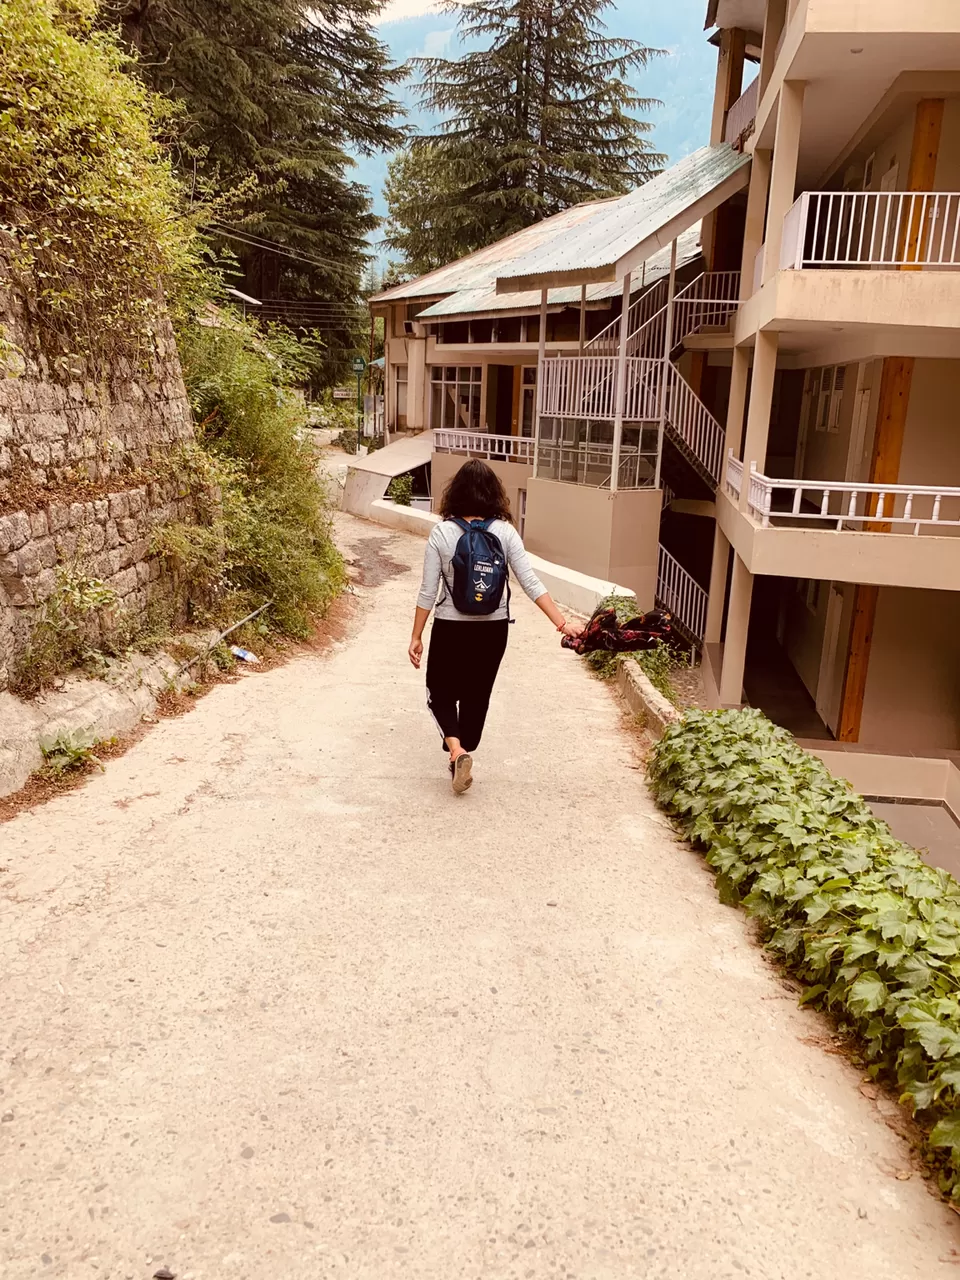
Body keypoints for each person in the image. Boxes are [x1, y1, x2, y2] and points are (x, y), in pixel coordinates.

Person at [408, 459, 582, 794]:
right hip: (492, 629)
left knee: (439, 691)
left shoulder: (443, 533)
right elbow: (530, 581)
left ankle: (456, 750)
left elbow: (428, 590)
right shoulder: (504, 532)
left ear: (454, 493)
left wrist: (416, 635)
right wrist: (562, 623)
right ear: (494, 494)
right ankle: (465, 747)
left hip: (450, 626)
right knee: (477, 694)